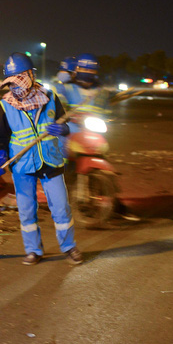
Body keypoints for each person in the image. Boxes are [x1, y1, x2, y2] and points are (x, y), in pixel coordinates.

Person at [0, 53, 83, 266]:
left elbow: (69, 125)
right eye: (10, 83)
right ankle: (33, 250)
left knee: (61, 208)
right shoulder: (6, 105)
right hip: (22, 165)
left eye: (19, 81)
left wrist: (64, 128)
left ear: (31, 76)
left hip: (50, 161)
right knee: (27, 210)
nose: (15, 88)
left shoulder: (50, 97)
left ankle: (69, 247)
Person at [55, 53, 140, 222]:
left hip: (90, 130)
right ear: (76, 70)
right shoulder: (66, 88)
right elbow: (57, 105)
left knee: (102, 156)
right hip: (70, 130)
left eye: (91, 69)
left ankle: (114, 202)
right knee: (61, 160)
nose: (88, 72)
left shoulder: (100, 91)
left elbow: (106, 109)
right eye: (84, 68)